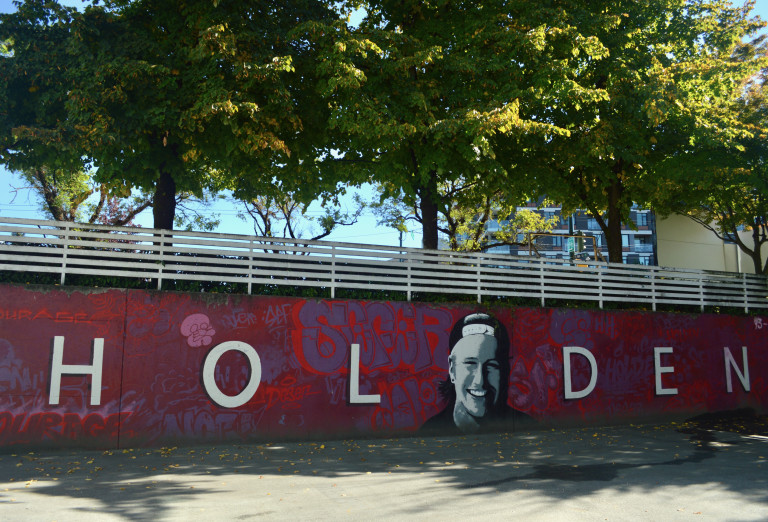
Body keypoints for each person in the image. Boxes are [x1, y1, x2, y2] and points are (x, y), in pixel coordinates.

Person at [421, 312, 532, 434]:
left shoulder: (530, 427)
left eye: (492, 366)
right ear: (452, 370)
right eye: (470, 364)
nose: (480, 380)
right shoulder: (428, 432)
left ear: (505, 371)